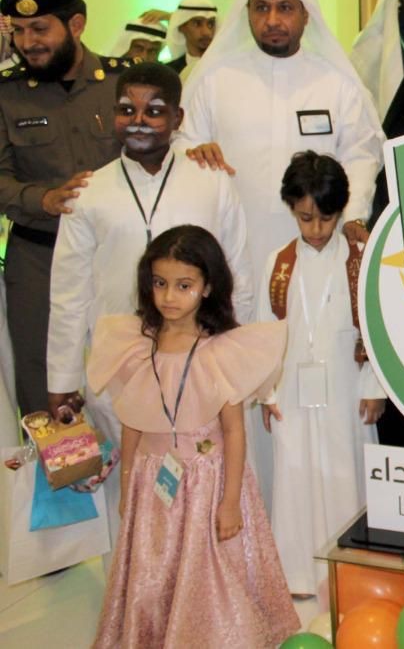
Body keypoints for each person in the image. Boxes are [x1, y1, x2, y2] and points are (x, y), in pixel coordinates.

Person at [177, 0, 383, 509]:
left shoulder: (335, 82)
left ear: (305, 14)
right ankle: (250, 520)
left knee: (317, 391)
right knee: (243, 388)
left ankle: (319, 520)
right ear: (246, 13)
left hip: (318, 259)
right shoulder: (215, 81)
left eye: (285, 8)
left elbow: (363, 154)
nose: (273, 20)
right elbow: (182, 145)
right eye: (261, 8)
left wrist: (350, 216)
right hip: (236, 260)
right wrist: (193, 151)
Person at [86, 225, 297, 647]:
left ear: (207, 287)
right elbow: (132, 420)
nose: (169, 296)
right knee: (153, 572)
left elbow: (234, 431)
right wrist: (127, 484)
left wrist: (230, 501)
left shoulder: (220, 350)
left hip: (208, 482)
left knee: (207, 573)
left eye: (184, 286)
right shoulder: (136, 345)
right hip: (153, 481)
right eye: (160, 283)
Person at [47, 62, 254, 457]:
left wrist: (230, 360)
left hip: (199, 363)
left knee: (198, 477)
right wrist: (62, 378)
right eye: (127, 110)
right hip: (116, 367)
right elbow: (68, 294)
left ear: (178, 118)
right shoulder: (89, 192)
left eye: (154, 111)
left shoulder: (211, 181)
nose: (138, 121)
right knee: (127, 480)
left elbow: (238, 276)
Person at [0, 0, 131, 414]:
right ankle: (55, 463)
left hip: (115, 255)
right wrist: (44, 199)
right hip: (40, 259)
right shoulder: (7, 94)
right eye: (19, 31)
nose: (28, 42)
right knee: (44, 381)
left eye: (40, 29)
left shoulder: (122, 84)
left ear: (76, 25)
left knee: (128, 373)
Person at [258, 152, 386, 597]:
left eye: (325, 219)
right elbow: (265, 333)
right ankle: (298, 574)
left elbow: (378, 328)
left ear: (341, 210)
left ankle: (355, 574)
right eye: (305, 218)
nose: (315, 230)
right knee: (295, 474)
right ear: (291, 209)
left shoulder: (360, 258)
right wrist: (267, 392)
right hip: (292, 389)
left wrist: (375, 387)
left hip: (349, 387)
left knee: (346, 471)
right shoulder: (279, 262)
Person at [164, 0, 217, 82]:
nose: (206, 32)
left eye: (211, 24)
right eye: (197, 24)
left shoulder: (225, 67)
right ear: (181, 27)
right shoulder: (168, 72)